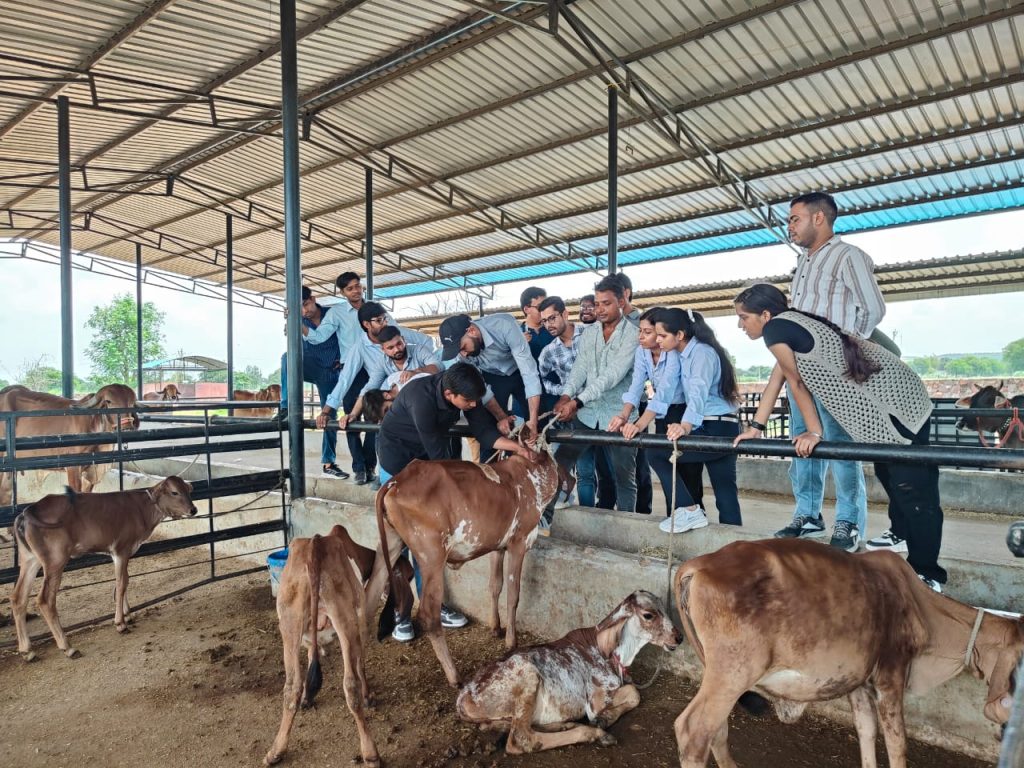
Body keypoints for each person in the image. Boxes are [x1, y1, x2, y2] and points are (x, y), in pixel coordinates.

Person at [733, 283, 945, 589]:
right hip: (899, 398)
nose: (740, 326)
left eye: (743, 317)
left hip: (896, 407)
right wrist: (756, 428)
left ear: (765, 315)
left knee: (914, 491)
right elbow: (778, 380)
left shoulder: (777, 329)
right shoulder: (789, 326)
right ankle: (902, 535)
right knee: (890, 473)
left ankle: (928, 574)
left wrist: (813, 431)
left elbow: (797, 384)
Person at [377, 364, 537, 640]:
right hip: (399, 460)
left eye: (476, 400)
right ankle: (400, 612)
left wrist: (517, 448)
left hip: (426, 463)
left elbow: (484, 432)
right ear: (449, 394)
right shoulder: (420, 399)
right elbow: (439, 457)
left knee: (429, 540)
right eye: (468, 402)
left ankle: (433, 605)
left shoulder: (466, 392)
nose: (473, 405)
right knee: (402, 542)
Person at [781, 192, 883, 548]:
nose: (790, 226)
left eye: (795, 219)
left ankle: (848, 522)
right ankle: (808, 515)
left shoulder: (848, 256)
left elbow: (873, 308)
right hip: (801, 367)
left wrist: (846, 347)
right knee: (801, 440)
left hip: (834, 368)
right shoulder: (803, 263)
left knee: (839, 444)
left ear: (819, 218)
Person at [549, 275, 639, 513]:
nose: (599, 309)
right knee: (561, 461)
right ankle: (558, 500)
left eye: (606, 303)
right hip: (589, 414)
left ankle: (627, 522)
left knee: (624, 477)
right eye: (597, 304)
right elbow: (580, 368)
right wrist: (566, 396)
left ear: (621, 302)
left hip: (619, 415)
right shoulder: (589, 333)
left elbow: (612, 375)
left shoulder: (633, 334)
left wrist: (577, 401)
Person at [608, 307, 704, 517]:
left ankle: (696, 515)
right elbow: (636, 386)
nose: (641, 336)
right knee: (667, 468)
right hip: (661, 415)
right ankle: (675, 517)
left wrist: (639, 424)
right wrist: (624, 415)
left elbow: (665, 392)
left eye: (648, 332)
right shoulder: (642, 352)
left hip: (683, 413)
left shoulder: (673, 352)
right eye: (640, 331)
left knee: (689, 471)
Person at [655, 308, 742, 533]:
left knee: (655, 452)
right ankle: (734, 543)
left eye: (662, 335)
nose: (657, 340)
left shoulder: (702, 353)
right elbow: (668, 390)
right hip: (721, 425)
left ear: (680, 335)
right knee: (725, 491)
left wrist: (685, 426)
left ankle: (689, 509)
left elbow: (698, 393)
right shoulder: (683, 354)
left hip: (716, 427)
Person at [278, 286, 348, 478]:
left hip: (330, 371)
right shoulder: (297, 319)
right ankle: (285, 407)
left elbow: (348, 337)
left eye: (306, 304)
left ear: (313, 299)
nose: (304, 310)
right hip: (309, 365)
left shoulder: (333, 314)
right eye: (299, 308)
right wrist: (290, 323)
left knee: (329, 413)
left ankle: (328, 463)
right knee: (287, 357)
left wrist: (344, 360)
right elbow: (291, 340)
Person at [439, 312, 543, 437]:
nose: (463, 354)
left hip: (519, 370)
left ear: (472, 331)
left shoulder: (504, 325)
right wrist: (501, 418)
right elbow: (481, 387)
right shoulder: (462, 355)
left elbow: (529, 373)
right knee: (495, 426)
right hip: (492, 376)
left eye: (463, 347)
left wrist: (533, 421)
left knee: (537, 420)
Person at [519, 286, 554, 362]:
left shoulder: (554, 329)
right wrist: (519, 347)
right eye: (540, 307)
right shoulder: (517, 335)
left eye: (546, 306)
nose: (544, 310)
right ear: (526, 309)